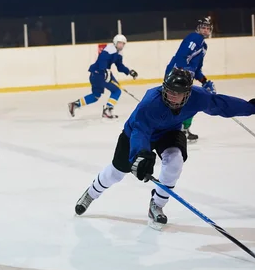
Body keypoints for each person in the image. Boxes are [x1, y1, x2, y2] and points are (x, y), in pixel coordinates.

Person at [73, 67, 255, 230]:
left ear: (188, 93)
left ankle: (157, 205)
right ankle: (91, 193)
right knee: (116, 173)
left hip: (169, 132)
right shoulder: (150, 102)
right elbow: (140, 131)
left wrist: (250, 108)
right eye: (169, 91)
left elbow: (220, 104)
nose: (172, 96)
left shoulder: (198, 97)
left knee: (175, 161)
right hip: (135, 134)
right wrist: (141, 154)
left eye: (178, 93)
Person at [165, 16, 216, 142]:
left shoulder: (204, 46)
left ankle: (183, 130)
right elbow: (182, 56)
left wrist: (204, 81)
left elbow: (197, 69)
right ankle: (176, 131)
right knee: (178, 104)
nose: (205, 30)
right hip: (176, 75)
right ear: (198, 28)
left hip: (184, 77)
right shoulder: (195, 38)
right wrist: (181, 73)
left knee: (189, 103)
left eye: (207, 28)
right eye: (203, 27)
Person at [68, 34, 138, 119]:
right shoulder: (109, 49)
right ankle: (107, 110)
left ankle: (75, 104)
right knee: (116, 91)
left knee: (95, 96)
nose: (121, 45)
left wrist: (129, 71)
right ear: (115, 42)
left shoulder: (119, 52)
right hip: (100, 74)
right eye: (120, 43)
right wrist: (105, 71)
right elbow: (102, 61)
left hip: (98, 74)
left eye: (123, 44)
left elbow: (119, 66)